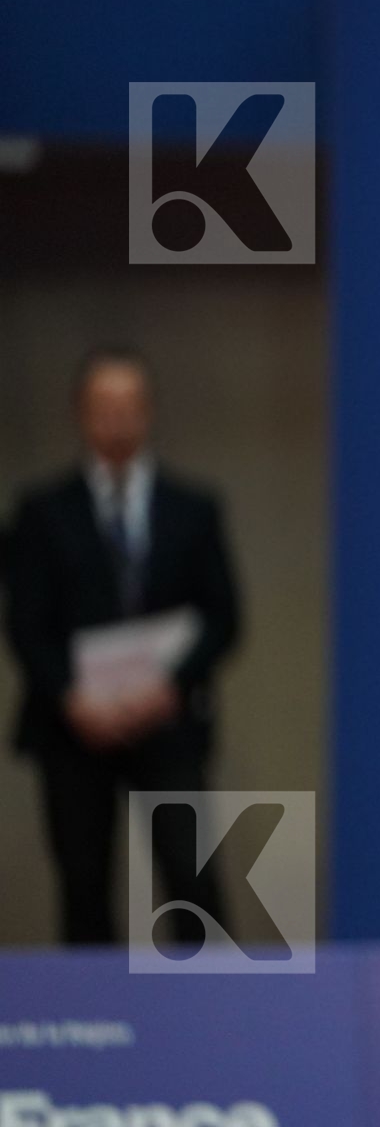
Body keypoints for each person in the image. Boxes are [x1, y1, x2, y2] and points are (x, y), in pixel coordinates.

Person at [5, 346, 240, 945]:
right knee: (83, 886)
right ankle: (96, 1031)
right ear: (81, 414)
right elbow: (27, 624)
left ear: (148, 411)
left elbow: (224, 617)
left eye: (127, 406)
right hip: (73, 728)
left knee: (192, 880)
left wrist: (168, 687)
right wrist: (70, 697)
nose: (115, 419)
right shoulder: (41, 513)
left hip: (165, 720)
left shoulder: (192, 509)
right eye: (101, 407)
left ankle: (214, 1014)